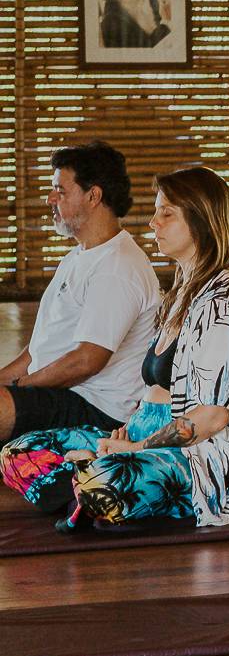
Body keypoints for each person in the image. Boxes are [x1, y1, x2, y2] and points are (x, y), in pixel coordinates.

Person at [0, 166, 229, 531]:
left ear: (201, 221)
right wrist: (124, 435)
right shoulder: (179, 295)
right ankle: (92, 487)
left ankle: (92, 484)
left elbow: (212, 418)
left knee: (101, 480)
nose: (153, 223)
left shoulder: (220, 307)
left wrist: (137, 450)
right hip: (141, 432)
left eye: (166, 214)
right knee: (17, 453)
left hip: (192, 457)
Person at [0, 140, 160, 447]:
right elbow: (38, 350)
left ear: (93, 196)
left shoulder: (117, 266)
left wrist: (21, 388)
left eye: (60, 191)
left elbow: (87, 361)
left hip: (98, 410)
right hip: (63, 394)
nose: (50, 199)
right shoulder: (79, 256)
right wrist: (7, 382)